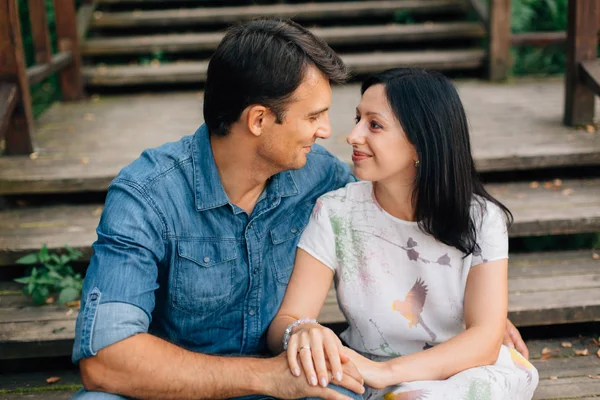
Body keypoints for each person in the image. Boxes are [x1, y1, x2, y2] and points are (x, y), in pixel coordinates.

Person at [71, 18, 528, 400]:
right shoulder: (147, 196)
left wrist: (480, 304)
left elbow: (399, 209)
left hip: (293, 382)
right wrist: (263, 376)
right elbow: (105, 357)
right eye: (313, 117)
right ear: (258, 120)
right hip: (176, 387)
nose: (330, 132)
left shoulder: (320, 176)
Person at [267, 68, 539, 399]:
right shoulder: (336, 212)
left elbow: (484, 338)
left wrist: (387, 373)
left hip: (462, 372)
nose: (353, 136)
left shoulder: (481, 219)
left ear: (421, 144)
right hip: (362, 372)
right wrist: (302, 330)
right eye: (358, 119)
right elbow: (288, 317)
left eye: (374, 125)